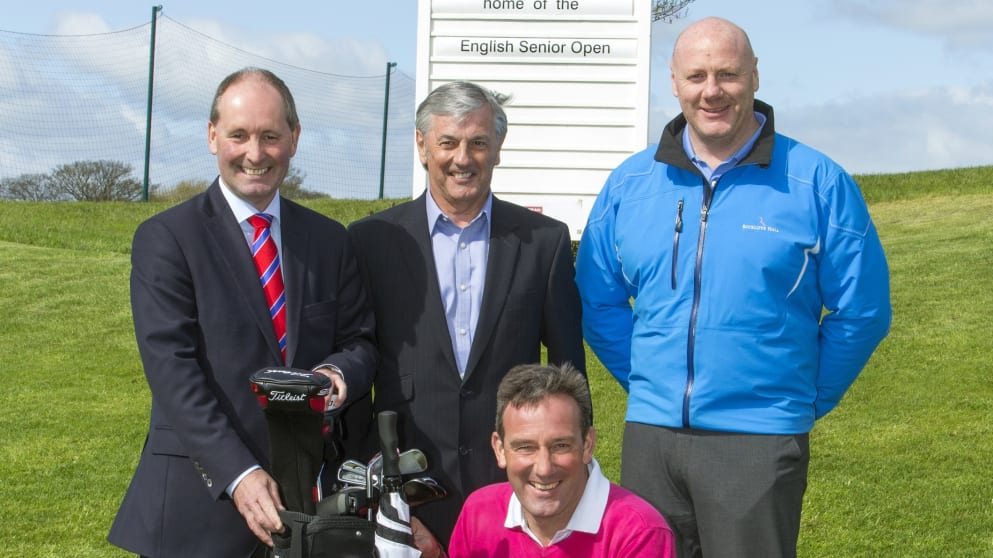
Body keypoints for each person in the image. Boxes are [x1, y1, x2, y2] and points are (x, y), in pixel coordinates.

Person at [574, 17, 892, 558]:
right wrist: (650, 380)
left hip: (760, 439)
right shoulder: (630, 184)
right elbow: (597, 297)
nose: (712, 90)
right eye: (696, 75)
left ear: (755, 77)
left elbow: (861, 311)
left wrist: (801, 399)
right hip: (652, 437)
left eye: (728, 74)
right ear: (673, 82)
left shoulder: (815, 181)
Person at [107, 67, 377, 558]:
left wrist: (339, 374)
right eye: (239, 135)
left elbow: (360, 340)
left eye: (270, 136)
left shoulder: (329, 241)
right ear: (213, 137)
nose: (255, 154)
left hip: (311, 513)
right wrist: (239, 474)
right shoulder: (167, 240)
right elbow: (173, 372)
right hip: (199, 511)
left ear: (294, 139)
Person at [347, 80, 586, 548]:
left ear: (498, 147)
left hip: (513, 485)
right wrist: (378, 493)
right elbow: (357, 367)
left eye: (478, 142)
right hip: (408, 487)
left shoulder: (545, 242)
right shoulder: (370, 241)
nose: (463, 158)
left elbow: (568, 373)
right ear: (421, 145)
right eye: (448, 143)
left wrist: (568, 474)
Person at [437, 363, 675, 558]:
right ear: (499, 449)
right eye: (525, 447)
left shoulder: (640, 533)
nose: (544, 468)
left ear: (588, 444)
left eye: (560, 446)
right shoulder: (478, 512)